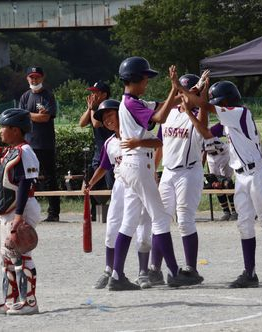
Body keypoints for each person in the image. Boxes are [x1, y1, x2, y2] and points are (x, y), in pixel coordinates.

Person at [180, 80, 262, 288]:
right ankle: (250, 273)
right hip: (241, 177)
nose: (218, 106)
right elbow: (206, 133)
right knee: (244, 224)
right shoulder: (228, 120)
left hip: (256, 174)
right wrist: (189, 113)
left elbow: (206, 106)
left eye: (220, 102)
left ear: (228, 100)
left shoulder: (239, 113)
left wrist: (182, 91)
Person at [109, 56, 201, 290]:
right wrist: (173, 89)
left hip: (132, 165)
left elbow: (163, 107)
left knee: (129, 221)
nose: (147, 82)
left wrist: (183, 91)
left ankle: (117, 276)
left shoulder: (132, 101)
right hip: (139, 165)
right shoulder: (131, 103)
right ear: (135, 79)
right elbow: (159, 118)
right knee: (160, 218)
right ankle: (173, 271)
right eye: (145, 78)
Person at [85, 99, 157, 290]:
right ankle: (109, 270)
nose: (107, 120)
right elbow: (104, 166)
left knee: (143, 229)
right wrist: (91, 183)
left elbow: (157, 143)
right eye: (104, 118)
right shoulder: (109, 143)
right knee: (112, 228)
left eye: (110, 115)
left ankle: (143, 272)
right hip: (120, 186)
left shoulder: (138, 132)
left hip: (140, 183)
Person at [150, 73, 206, 284]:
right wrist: (153, 169)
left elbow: (203, 122)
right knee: (160, 219)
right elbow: (160, 143)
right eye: (180, 90)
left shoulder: (199, 114)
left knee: (184, 220)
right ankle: (155, 268)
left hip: (189, 172)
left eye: (188, 91)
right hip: (169, 172)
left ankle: (191, 268)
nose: (183, 94)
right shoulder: (170, 113)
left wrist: (201, 93)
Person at [0, 108, 40, 315]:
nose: (1, 131)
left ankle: (30, 301)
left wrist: (19, 217)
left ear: (16, 130)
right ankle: (10, 300)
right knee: (6, 256)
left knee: (21, 255)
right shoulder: (11, 151)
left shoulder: (25, 151)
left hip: (22, 208)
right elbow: (8, 182)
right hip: (9, 211)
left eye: (4, 127)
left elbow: (26, 183)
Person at [19, 66, 60, 222]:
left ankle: (54, 213)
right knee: (26, 178)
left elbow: (46, 118)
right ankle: (23, 211)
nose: (34, 80)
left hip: (45, 143)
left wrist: (29, 114)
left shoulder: (48, 96)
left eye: (37, 77)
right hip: (28, 144)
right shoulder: (24, 97)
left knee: (50, 177)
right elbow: (21, 117)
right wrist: (35, 115)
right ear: (27, 79)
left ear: (42, 78)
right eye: (31, 77)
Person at [79, 80, 115, 220]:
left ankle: (115, 210)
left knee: (111, 182)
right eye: (92, 92)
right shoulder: (93, 107)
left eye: (96, 92)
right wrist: (89, 108)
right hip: (98, 152)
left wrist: (93, 108)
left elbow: (96, 123)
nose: (92, 95)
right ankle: (94, 211)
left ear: (104, 94)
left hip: (110, 151)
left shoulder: (108, 106)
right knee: (93, 182)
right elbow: (82, 123)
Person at [204, 129, 238, 221]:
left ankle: (234, 212)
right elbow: (203, 151)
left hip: (224, 154)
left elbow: (226, 132)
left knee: (227, 183)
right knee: (215, 184)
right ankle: (226, 212)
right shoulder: (195, 134)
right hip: (211, 157)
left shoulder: (208, 131)